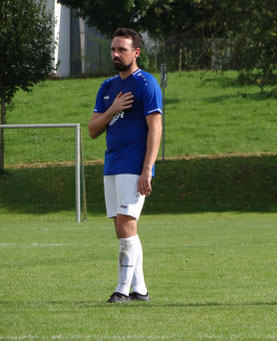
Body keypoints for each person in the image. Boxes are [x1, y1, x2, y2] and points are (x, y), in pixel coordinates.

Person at [88, 28, 163, 303]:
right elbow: (93, 130)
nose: (116, 54)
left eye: (122, 49)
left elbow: (156, 128)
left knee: (125, 226)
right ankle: (140, 290)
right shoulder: (107, 87)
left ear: (136, 52)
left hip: (134, 166)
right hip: (112, 165)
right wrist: (113, 109)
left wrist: (147, 169)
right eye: (113, 49)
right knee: (123, 228)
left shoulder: (146, 83)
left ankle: (122, 291)